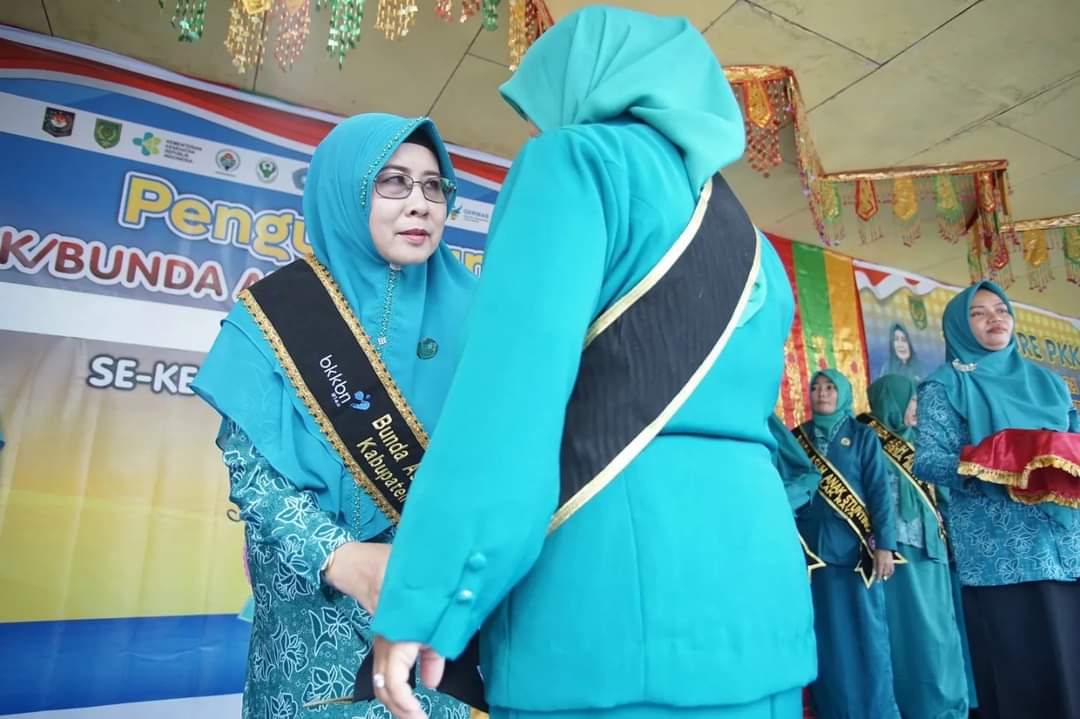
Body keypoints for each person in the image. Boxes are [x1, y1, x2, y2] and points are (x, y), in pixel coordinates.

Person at [370, 7, 816, 719]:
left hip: (606, 618)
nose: (538, 128)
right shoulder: (757, 247)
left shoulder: (574, 162)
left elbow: (505, 415)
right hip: (763, 609)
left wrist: (425, 597)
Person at [191, 113, 476, 718]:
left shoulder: (483, 319)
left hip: (432, 619)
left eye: (434, 186)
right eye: (394, 181)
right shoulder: (277, 313)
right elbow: (253, 476)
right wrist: (340, 557)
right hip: (308, 623)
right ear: (347, 190)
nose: (420, 203)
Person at [914, 281, 1080, 719]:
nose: (995, 318)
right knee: (1022, 679)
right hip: (1001, 556)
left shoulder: (1050, 384)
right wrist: (995, 460)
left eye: (1001, 309)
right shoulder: (945, 386)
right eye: (979, 313)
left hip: (1067, 548)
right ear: (958, 325)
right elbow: (928, 460)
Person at [796, 369, 899, 719]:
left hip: (856, 556)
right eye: (816, 387)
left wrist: (885, 545)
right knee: (826, 640)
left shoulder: (862, 436)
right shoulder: (798, 439)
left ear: (842, 392)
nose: (822, 393)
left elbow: (879, 494)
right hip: (813, 558)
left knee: (866, 638)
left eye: (830, 387)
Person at [864, 375, 967, 718]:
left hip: (931, 551)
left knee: (938, 633)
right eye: (910, 401)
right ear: (890, 401)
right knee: (901, 634)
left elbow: (947, 497)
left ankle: (947, 708)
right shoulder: (867, 441)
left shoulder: (927, 442)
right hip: (892, 554)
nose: (916, 409)